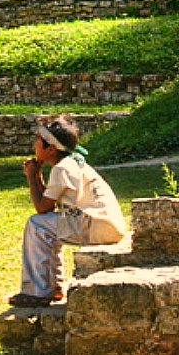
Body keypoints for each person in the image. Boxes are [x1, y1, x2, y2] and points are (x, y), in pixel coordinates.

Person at [9, 113, 126, 308]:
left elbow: (42, 208)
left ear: (51, 148)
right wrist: (37, 175)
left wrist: (31, 176)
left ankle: (38, 291)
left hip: (96, 225)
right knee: (47, 225)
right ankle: (53, 287)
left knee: (37, 224)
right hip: (103, 224)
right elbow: (48, 205)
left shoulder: (62, 168)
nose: (34, 144)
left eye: (38, 140)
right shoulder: (70, 163)